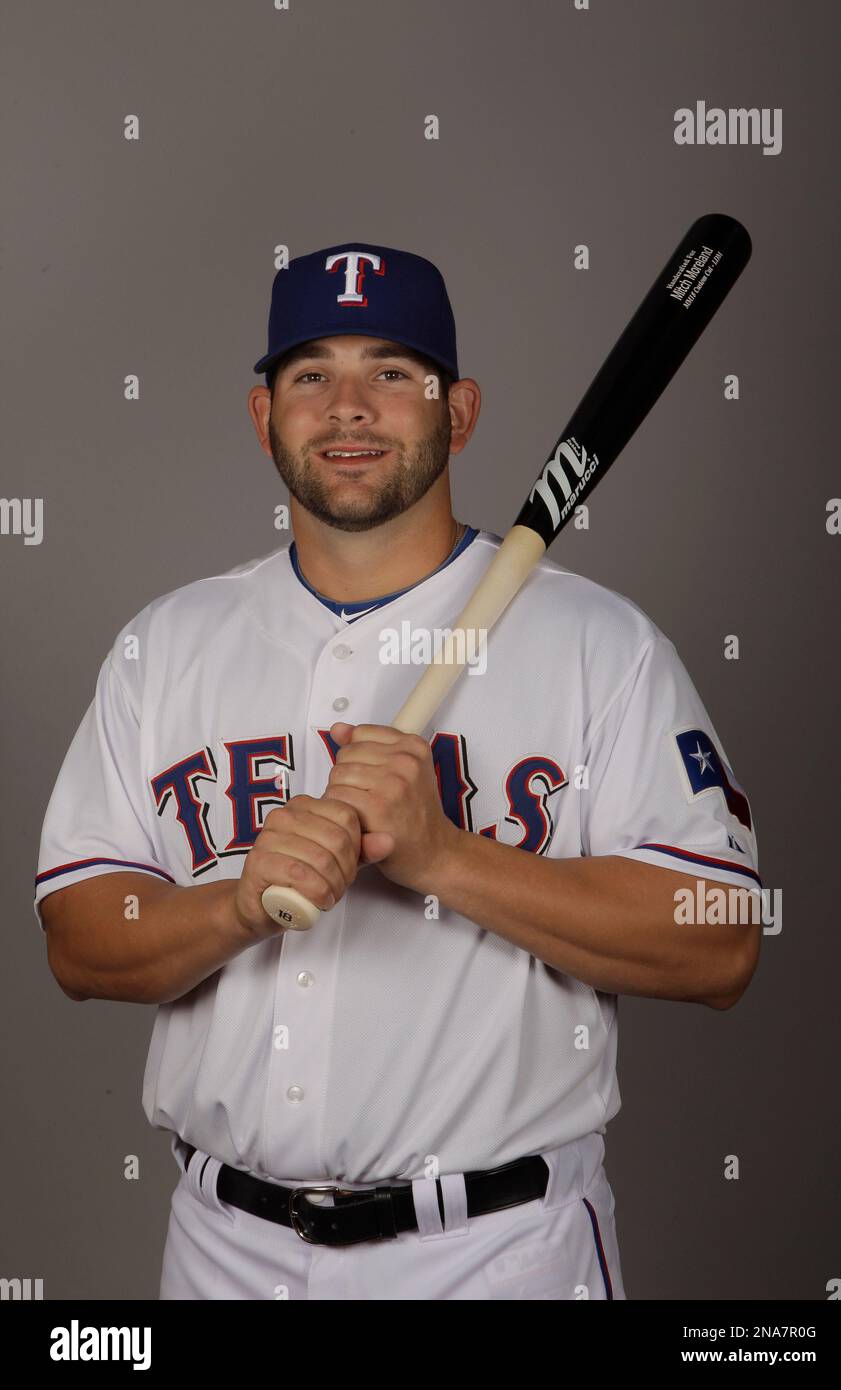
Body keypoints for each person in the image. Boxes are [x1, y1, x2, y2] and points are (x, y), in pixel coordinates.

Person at [34, 242, 762, 1300]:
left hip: (496, 1253)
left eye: (390, 373)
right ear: (263, 416)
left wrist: (442, 856)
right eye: (310, 375)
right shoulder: (169, 644)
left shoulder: (598, 644)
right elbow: (79, 940)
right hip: (222, 1255)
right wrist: (234, 907)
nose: (347, 408)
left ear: (456, 412)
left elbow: (719, 938)